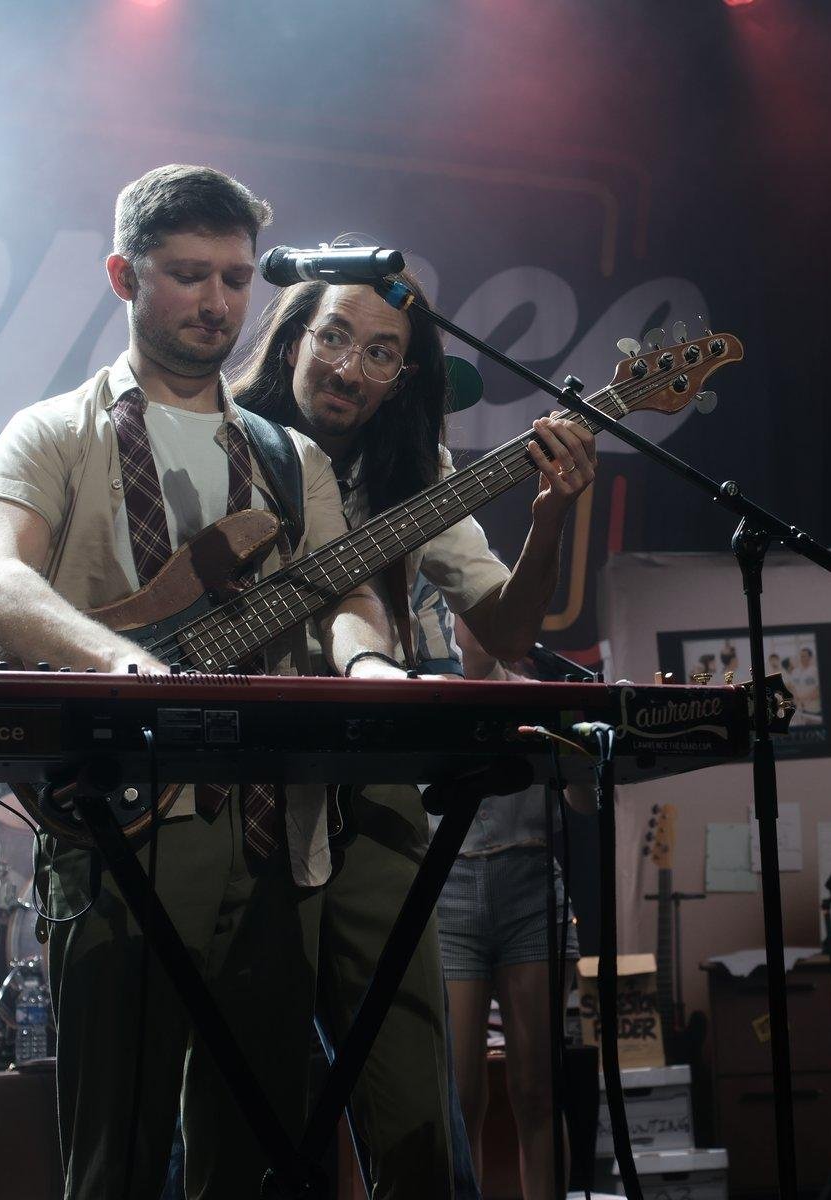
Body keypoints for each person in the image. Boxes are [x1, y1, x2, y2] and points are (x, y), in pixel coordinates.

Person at [0, 165, 403, 1199]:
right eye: (189, 275)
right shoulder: (53, 430)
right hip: (126, 825)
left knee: (254, 1160)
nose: (218, 303)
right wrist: (128, 667)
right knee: (114, 1154)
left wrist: (366, 651)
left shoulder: (292, 459)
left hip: (274, 827)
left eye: (237, 278)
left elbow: (344, 597)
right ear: (124, 275)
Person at [230, 269, 596, 1196]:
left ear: (403, 376)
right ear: (292, 339)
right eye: (335, 338)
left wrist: (550, 518)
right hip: (230, 788)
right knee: (239, 1104)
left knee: (418, 1111)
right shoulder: (220, 435)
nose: (353, 367)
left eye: (383, 352)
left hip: (368, 789)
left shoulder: (415, 475)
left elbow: (508, 630)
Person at [441, 620, 586, 1199]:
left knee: (537, 1089)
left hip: (529, 883)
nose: (468, 625)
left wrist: (577, 741)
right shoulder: (428, 693)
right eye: (461, 611)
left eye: (486, 612)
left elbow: (584, 803)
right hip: (449, 887)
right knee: (460, 1095)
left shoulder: (535, 698)